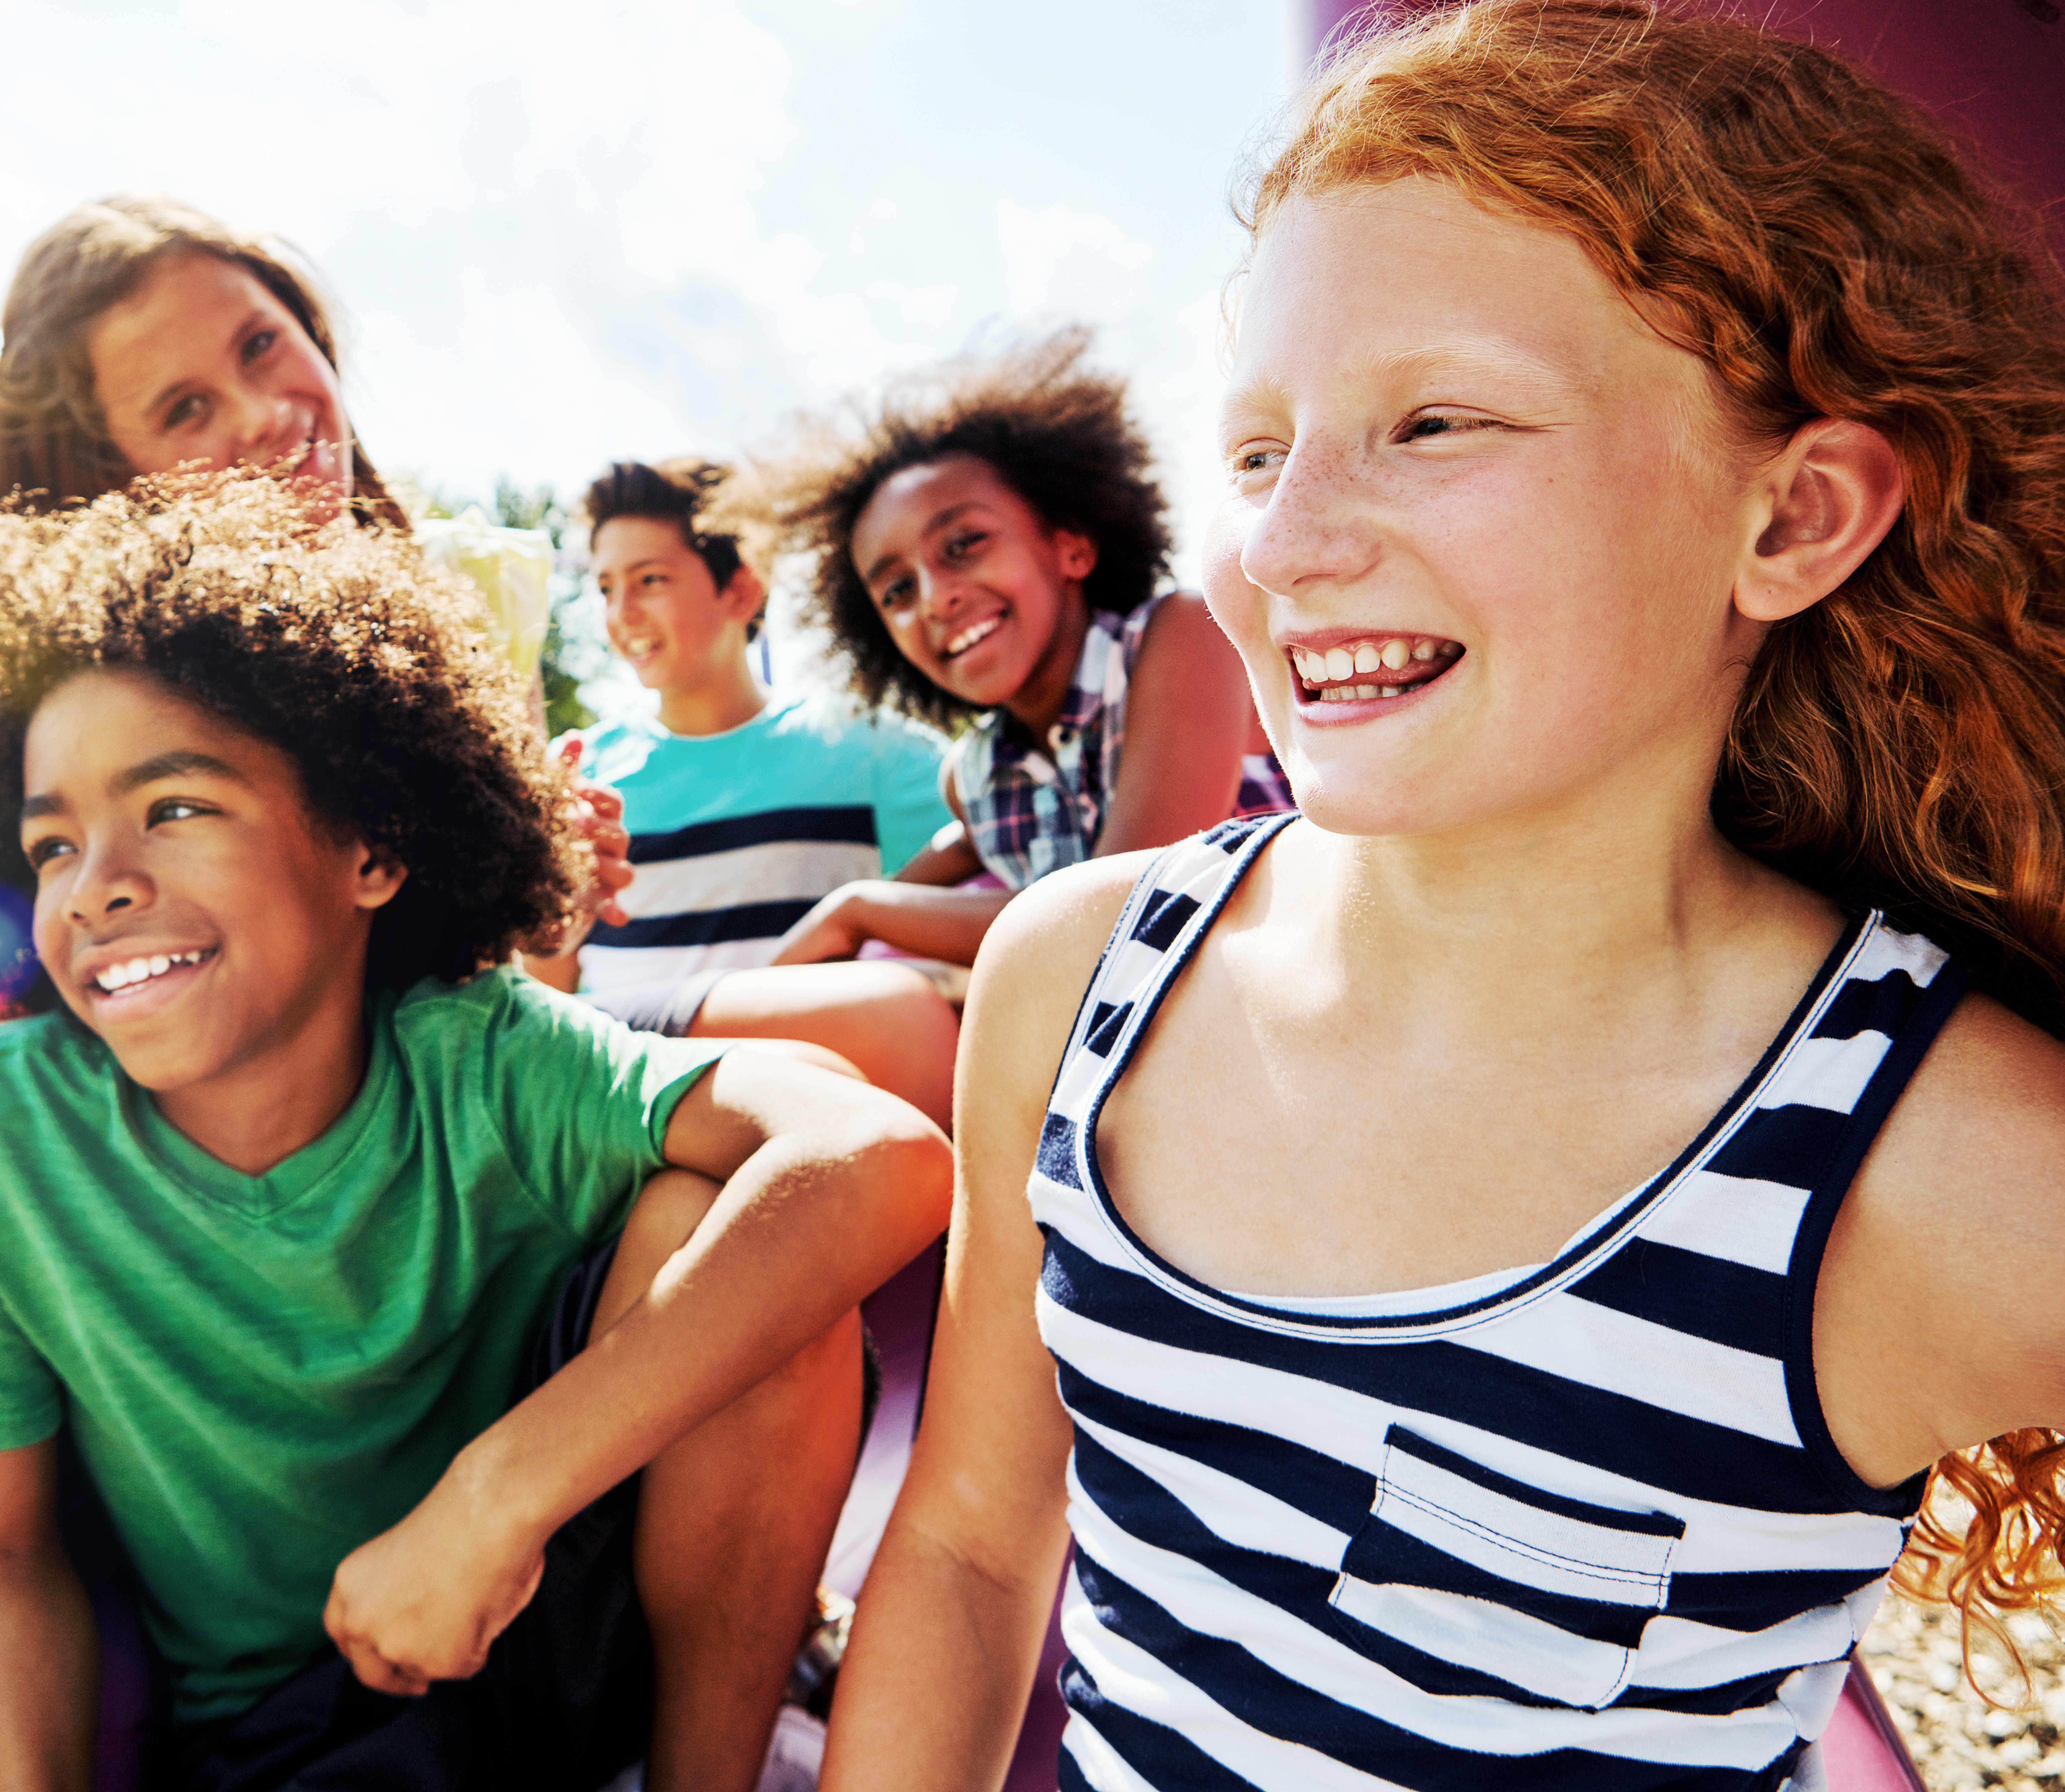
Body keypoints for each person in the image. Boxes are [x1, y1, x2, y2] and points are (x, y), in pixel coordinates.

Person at [819, 2, 2065, 1788]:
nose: (1283, 541)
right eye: (1256, 451)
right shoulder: (1075, 969)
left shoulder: (1938, 1163)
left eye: (1435, 420)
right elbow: (963, 1545)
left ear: (1788, 520)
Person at [0, 468, 952, 1792]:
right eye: (50, 846)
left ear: (370, 849)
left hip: (557, 1633)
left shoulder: (476, 1046)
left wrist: (491, 1501)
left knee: (714, 1222)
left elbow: (870, 1154)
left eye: (175, 808)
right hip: (282, 1736)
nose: (100, 887)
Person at [0, 191, 632, 928]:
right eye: (186, 408)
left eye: (258, 345)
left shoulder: (476, 587)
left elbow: (532, 987)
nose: (262, 415)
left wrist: (551, 882)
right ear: (111, 482)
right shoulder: (113, 696)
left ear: (310, 328)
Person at [744, 329, 1283, 972]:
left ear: (1071, 545)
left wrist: (858, 910)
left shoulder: (1182, 637)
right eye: (896, 590)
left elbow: (1128, 909)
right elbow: (899, 903)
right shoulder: (976, 780)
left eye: (964, 543)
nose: (935, 597)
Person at [525, 458, 962, 1128]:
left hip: (811, 1107)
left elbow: (986, 879)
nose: (622, 613)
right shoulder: (580, 772)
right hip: (619, 1107)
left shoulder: (870, 749)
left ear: (740, 592)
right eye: (606, 587)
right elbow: (539, 996)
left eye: (650, 580)